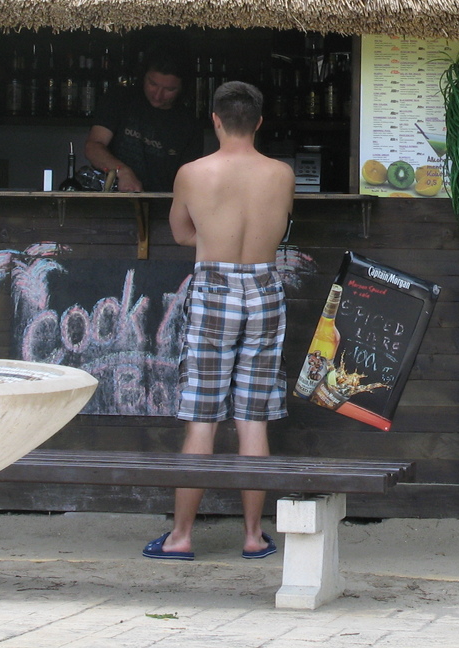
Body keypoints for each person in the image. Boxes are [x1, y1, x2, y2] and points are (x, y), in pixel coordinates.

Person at [142, 81, 295, 561]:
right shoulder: (282, 174)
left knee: (202, 420)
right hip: (265, 287)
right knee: (253, 420)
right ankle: (253, 537)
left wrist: (214, 232)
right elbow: (283, 226)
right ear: (259, 123)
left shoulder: (192, 172)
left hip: (213, 289)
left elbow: (182, 233)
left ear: (214, 119)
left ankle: (181, 537)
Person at [84, 55, 199, 191]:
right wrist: (122, 172)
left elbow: (188, 180)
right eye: (153, 84)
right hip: (114, 203)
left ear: (182, 88)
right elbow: (93, 147)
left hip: (163, 206)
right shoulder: (120, 99)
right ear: (143, 77)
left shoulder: (189, 124)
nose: (157, 95)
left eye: (169, 89)